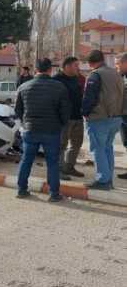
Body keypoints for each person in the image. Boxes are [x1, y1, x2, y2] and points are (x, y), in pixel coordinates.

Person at [15, 58, 70, 202]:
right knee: (52, 162)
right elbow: (65, 112)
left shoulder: (24, 87)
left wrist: (26, 123)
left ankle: (21, 190)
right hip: (52, 131)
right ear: (50, 69)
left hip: (30, 130)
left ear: (35, 70)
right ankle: (54, 194)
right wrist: (61, 125)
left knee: (26, 160)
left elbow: (18, 110)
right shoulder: (59, 87)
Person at [82, 50, 124, 190]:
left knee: (98, 149)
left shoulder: (95, 75)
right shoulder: (116, 74)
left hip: (99, 118)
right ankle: (108, 180)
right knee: (107, 148)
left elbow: (89, 96)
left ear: (90, 63)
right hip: (116, 117)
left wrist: (85, 112)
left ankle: (102, 180)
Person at [54, 57, 85, 179]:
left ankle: (69, 167)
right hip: (64, 119)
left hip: (78, 117)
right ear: (67, 66)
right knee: (61, 145)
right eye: (75, 65)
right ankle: (59, 170)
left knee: (77, 143)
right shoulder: (56, 80)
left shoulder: (76, 79)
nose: (78, 67)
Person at [118, 53, 127, 180]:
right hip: (122, 116)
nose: (117, 66)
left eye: (118, 63)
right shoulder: (120, 77)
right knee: (126, 143)